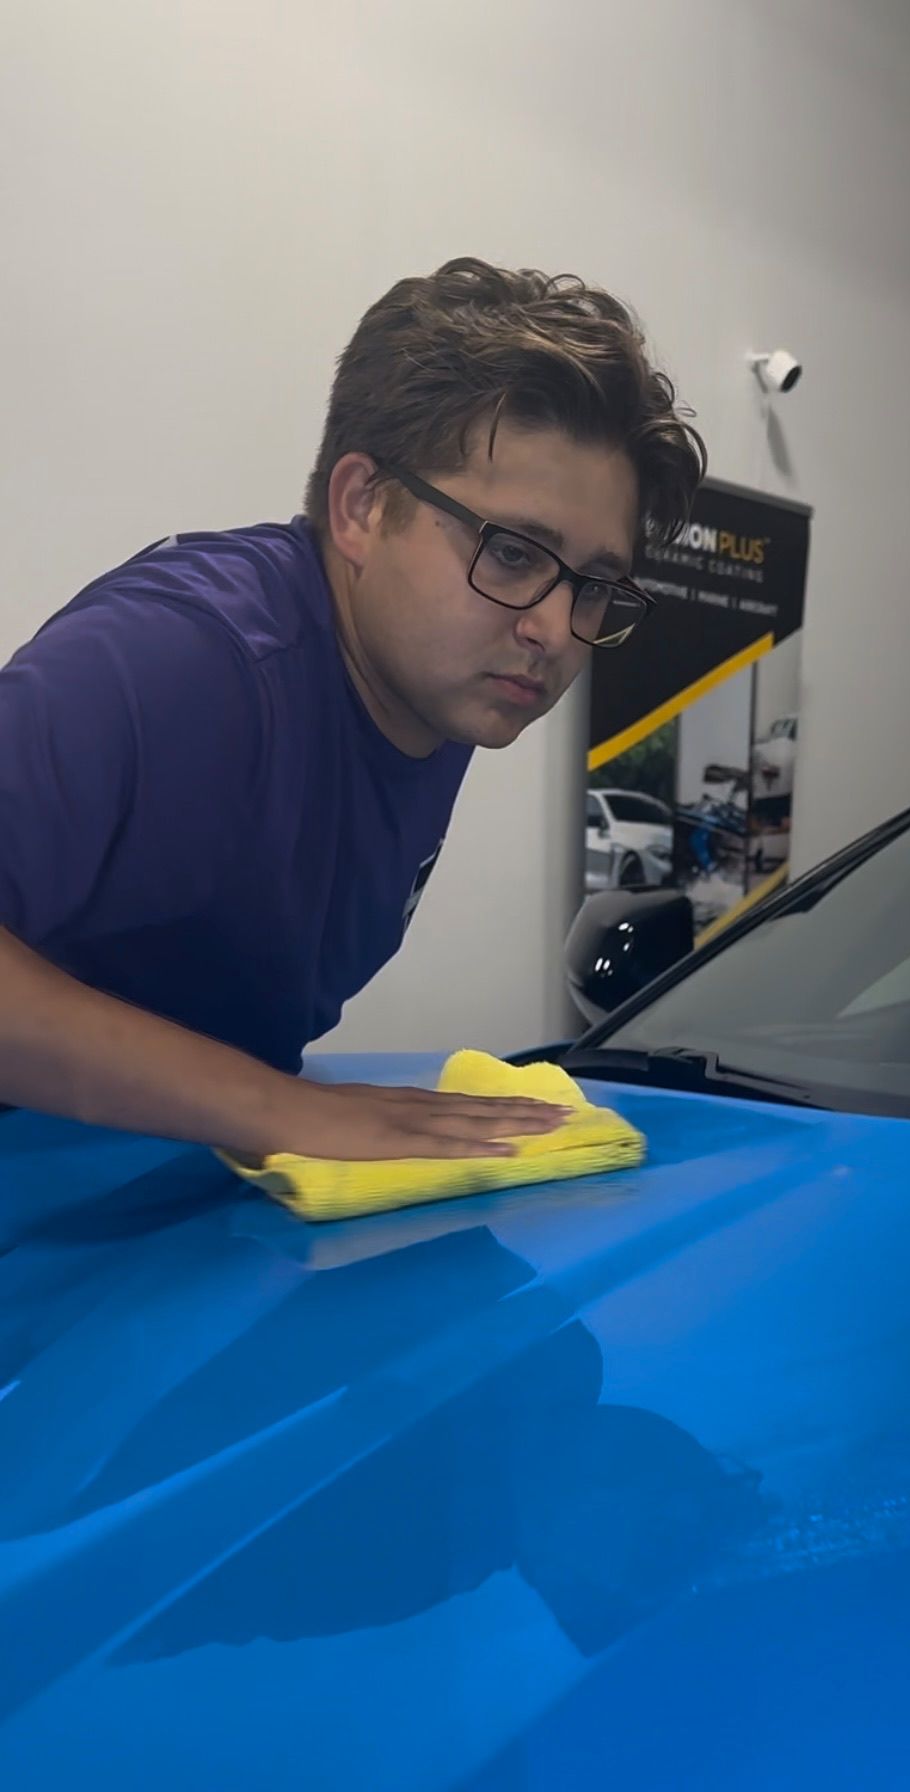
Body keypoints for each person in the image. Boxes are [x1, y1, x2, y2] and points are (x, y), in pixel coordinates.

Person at [0, 259, 705, 1162]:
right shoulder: (179, 658)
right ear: (362, 507)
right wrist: (281, 1109)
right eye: (516, 552)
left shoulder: (441, 687)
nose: (557, 629)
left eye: (597, 586)